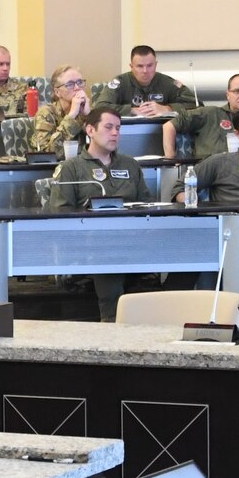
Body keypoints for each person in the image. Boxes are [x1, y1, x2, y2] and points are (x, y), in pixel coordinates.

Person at [46, 105, 146, 321]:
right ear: (90, 130)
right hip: (92, 242)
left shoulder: (130, 165)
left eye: (118, 128)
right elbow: (60, 212)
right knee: (109, 254)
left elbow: (146, 204)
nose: (115, 133)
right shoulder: (72, 167)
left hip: (132, 239)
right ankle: (111, 324)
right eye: (108, 127)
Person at [157, 72, 239, 160]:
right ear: (228, 95)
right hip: (211, 174)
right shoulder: (210, 113)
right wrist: (170, 158)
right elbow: (169, 126)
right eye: (237, 91)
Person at [105, 45, 197, 117]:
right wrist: (131, 110)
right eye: (140, 66)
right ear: (131, 67)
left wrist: (167, 109)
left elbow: (196, 104)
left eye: (149, 65)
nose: (145, 71)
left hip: (162, 132)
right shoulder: (120, 82)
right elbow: (100, 107)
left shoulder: (167, 83)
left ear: (156, 65)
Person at [28, 64, 91, 155]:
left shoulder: (87, 109)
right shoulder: (46, 113)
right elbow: (48, 154)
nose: (77, 88)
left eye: (80, 82)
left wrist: (89, 117)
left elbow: (104, 149)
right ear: (57, 92)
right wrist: (71, 116)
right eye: (70, 84)